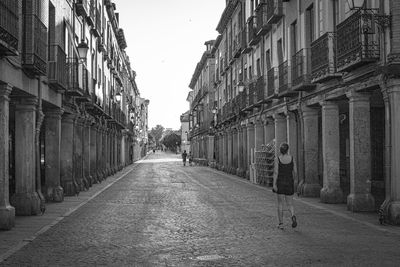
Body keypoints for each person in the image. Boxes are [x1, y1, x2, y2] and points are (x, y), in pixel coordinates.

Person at [273, 142, 297, 230]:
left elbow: (276, 172)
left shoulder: (277, 159)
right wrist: (293, 180)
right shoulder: (292, 158)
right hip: (289, 182)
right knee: (290, 203)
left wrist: (274, 184)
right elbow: (295, 172)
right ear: (288, 150)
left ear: (280, 150)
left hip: (280, 183)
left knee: (280, 204)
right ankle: (293, 216)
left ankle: (281, 224)